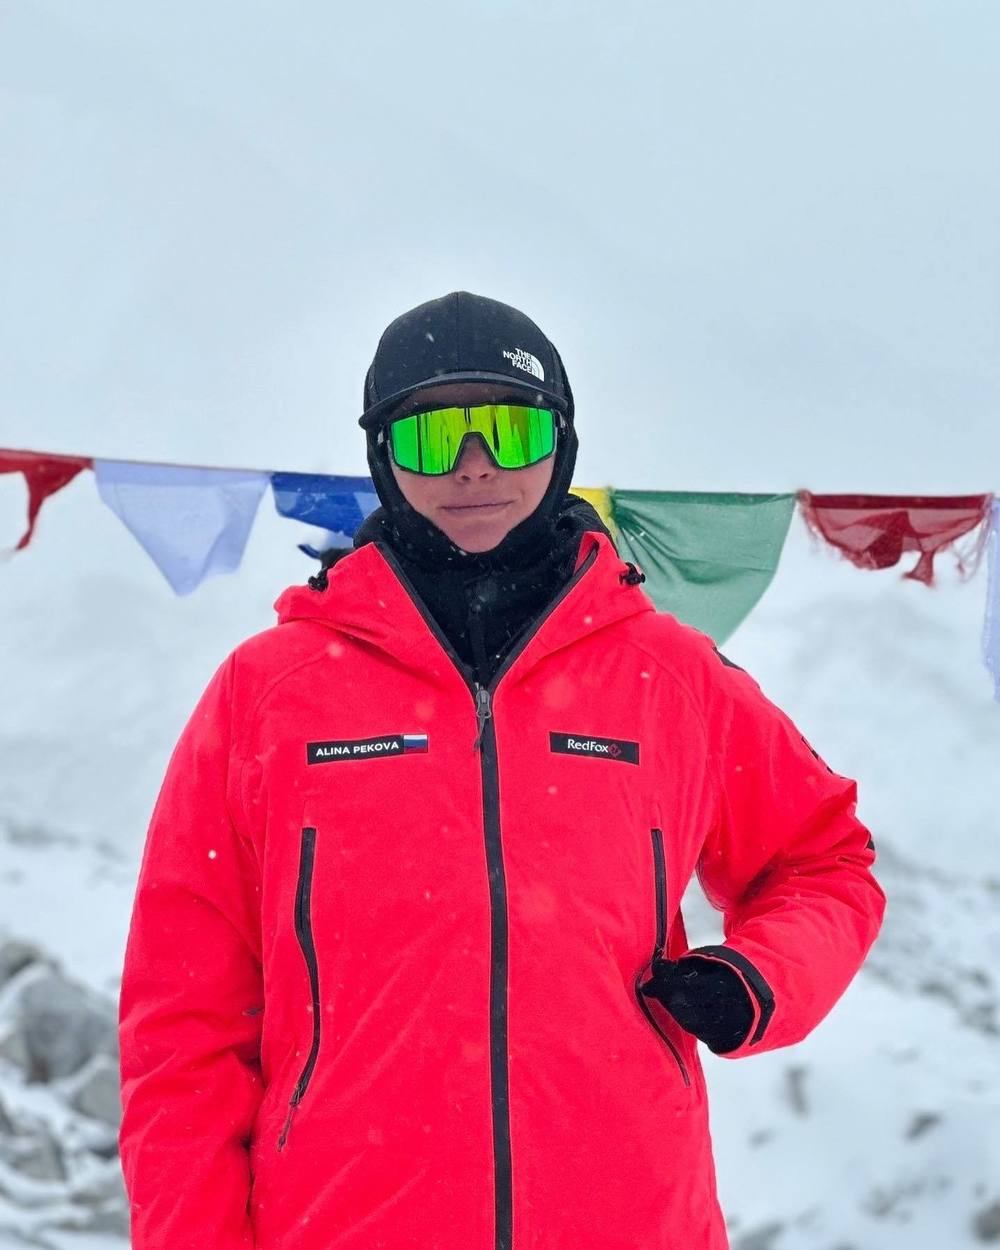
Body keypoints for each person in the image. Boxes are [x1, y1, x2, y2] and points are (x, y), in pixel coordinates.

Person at [117, 291, 887, 1250]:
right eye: (434, 436)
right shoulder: (271, 694)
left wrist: (762, 978)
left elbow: (825, 861)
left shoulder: (670, 678)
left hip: (630, 1223)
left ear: (562, 443)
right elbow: (184, 1026)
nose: (475, 466)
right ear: (383, 455)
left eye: (511, 430)